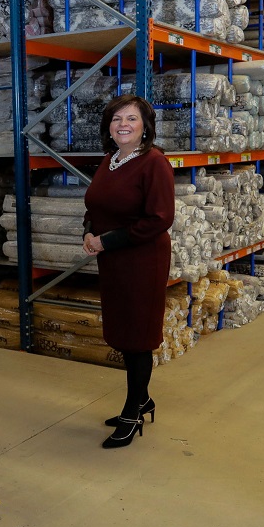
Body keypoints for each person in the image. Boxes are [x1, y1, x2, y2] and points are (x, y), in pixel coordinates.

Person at [82, 94, 174, 449]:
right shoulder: (111, 160)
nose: (123, 124)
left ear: (145, 126)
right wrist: (89, 232)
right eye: (117, 118)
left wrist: (108, 241)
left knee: (138, 337)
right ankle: (142, 398)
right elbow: (95, 205)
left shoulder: (154, 163)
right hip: (114, 259)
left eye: (132, 119)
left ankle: (133, 410)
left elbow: (160, 219)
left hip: (141, 260)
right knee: (122, 331)